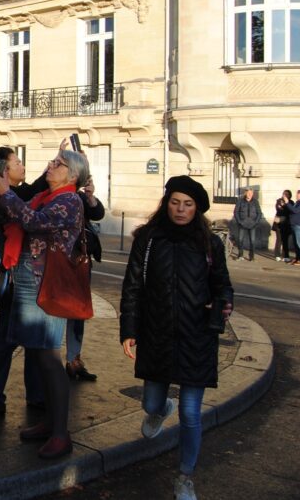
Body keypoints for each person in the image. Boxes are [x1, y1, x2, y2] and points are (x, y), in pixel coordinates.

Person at [120, 175, 234, 500]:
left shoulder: (211, 244)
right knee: (151, 401)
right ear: (166, 203)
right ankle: (159, 409)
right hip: (156, 334)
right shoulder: (148, 239)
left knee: (191, 412)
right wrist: (129, 329)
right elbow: (132, 287)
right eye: (175, 202)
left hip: (197, 336)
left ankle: (185, 476)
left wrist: (223, 304)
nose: (180, 210)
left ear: (196, 209)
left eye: (187, 204)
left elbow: (223, 285)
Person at [0, 148, 90, 460]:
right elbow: (11, 214)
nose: (50, 165)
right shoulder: (47, 195)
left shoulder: (69, 200)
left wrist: (7, 193)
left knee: (48, 356)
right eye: (52, 161)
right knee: (37, 352)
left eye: (58, 164)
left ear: (72, 176)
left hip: (47, 284)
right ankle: (49, 422)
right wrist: (1, 193)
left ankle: (61, 433)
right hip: (31, 280)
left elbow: (32, 221)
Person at [0, 146, 45, 414]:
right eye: (17, 162)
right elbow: (24, 199)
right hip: (10, 275)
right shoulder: (1, 196)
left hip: (27, 274)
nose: (22, 165)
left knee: (31, 338)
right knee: (6, 337)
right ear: (5, 171)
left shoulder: (19, 192)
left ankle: (36, 394)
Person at [66, 176, 105, 380]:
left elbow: (98, 213)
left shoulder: (78, 195)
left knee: (78, 313)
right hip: (61, 263)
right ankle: (53, 362)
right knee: (57, 313)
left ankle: (74, 359)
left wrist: (90, 197)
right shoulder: (53, 194)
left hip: (81, 261)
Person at [232, 188, 261, 262]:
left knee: (253, 241)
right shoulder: (240, 201)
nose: (249, 195)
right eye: (248, 193)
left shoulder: (255, 202)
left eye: (251, 193)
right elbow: (236, 212)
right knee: (240, 240)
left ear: (252, 194)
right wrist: (239, 221)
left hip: (252, 224)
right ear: (245, 193)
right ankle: (240, 255)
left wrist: (255, 222)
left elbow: (259, 213)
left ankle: (252, 257)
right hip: (242, 223)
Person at [273, 190, 293, 262]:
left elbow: (290, 211)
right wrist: (284, 207)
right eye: (284, 194)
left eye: (287, 194)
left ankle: (286, 255)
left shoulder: (291, 202)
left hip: (287, 224)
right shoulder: (279, 201)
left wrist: (284, 206)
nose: (285, 195)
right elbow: (279, 210)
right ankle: (277, 255)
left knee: (285, 240)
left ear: (289, 196)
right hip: (279, 224)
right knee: (279, 240)